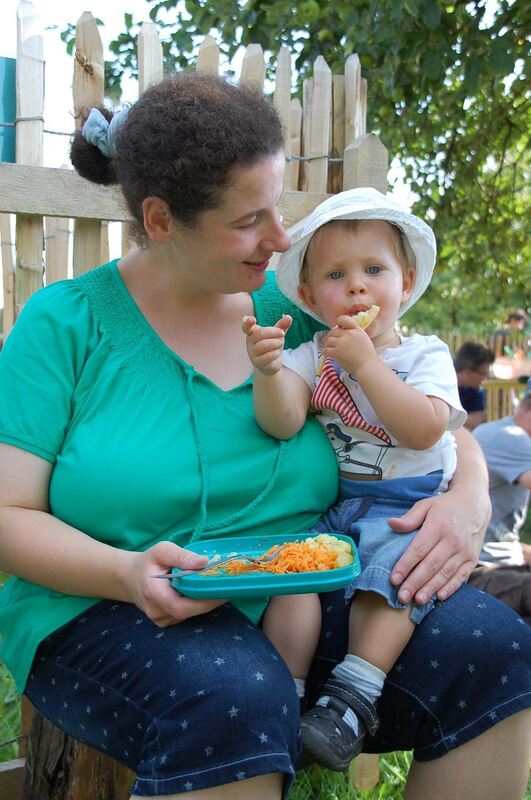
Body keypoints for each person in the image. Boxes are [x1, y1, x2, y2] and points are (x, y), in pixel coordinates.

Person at [0, 73, 529, 800]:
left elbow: (422, 407)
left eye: (277, 206)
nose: (282, 238)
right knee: (234, 698)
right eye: (250, 220)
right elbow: (8, 518)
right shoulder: (65, 324)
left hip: (305, 582)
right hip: (104, 600)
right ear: (160, 221)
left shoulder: (304, 302)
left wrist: (467, 495)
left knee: (492, 649)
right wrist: (124, 573)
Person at [243, 189, 467, 771]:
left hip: (406, 501)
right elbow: (283, 420)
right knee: (294, 572)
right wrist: (268, 371)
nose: (357, 287)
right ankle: (283, 694)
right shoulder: (314, 354)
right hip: (342, 504)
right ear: (313, 295)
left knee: (389, 578)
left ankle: (352, 698)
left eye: (374, 270)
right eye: (337, 275)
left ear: (406, 279)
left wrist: (367, 364)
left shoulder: (424, 355)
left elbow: (424, 430)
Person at [468, 394, 531, 623]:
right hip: (478, 570)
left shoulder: (495, 430)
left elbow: (499, 539)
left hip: (497, 563)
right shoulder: (513, 438)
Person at [453, 341, 495, 430]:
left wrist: (450, 418)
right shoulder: (441, 384)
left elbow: (477, 420)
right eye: (484, 374)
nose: (485, 378)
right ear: (468, 372)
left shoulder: (475, 391)